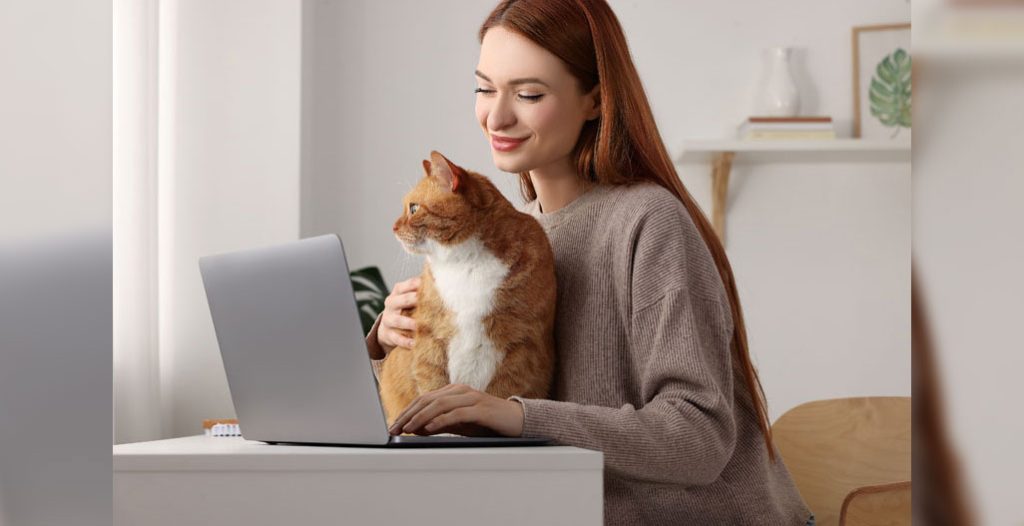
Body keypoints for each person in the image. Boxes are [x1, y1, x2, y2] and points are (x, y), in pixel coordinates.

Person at [366, 0, 813, 524]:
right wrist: (390, 341)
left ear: (595, 101)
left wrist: (517, 417)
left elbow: (699, 435)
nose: (497, 115)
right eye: (484, 88)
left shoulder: (648, 220)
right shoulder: (500, 243)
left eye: (529, 93)